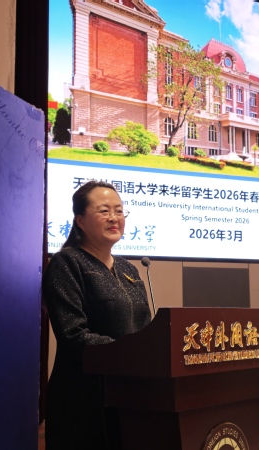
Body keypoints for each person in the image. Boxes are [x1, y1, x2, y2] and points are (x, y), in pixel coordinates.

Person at [42, 180, 152, 450]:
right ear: (80, 220)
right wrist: (128, 354)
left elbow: (146, 328)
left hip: (129, 393)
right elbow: (73, 334)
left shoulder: (129, 269)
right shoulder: (67, 263)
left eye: (119, 211)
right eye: (104, 211)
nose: (114, 218)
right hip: (84, 398)